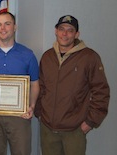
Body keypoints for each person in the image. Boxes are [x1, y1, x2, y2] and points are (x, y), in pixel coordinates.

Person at [34, 15, 110, 155]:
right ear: (56, 31)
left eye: (70, 30)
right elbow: (41, 87)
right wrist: (39, 113)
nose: (65, 34)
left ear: (77, 34)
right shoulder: (47, 57)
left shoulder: (89, 57)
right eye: (62, 29)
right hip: (48, 129)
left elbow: (101, 92)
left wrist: (90, 122)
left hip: (74, 130)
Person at [0, 12, 40, 155]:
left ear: (15, 27)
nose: (3, 28)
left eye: (7, 24)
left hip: (19, 117)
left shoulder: (28, 55)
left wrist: (32, 105)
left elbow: (35, 83)